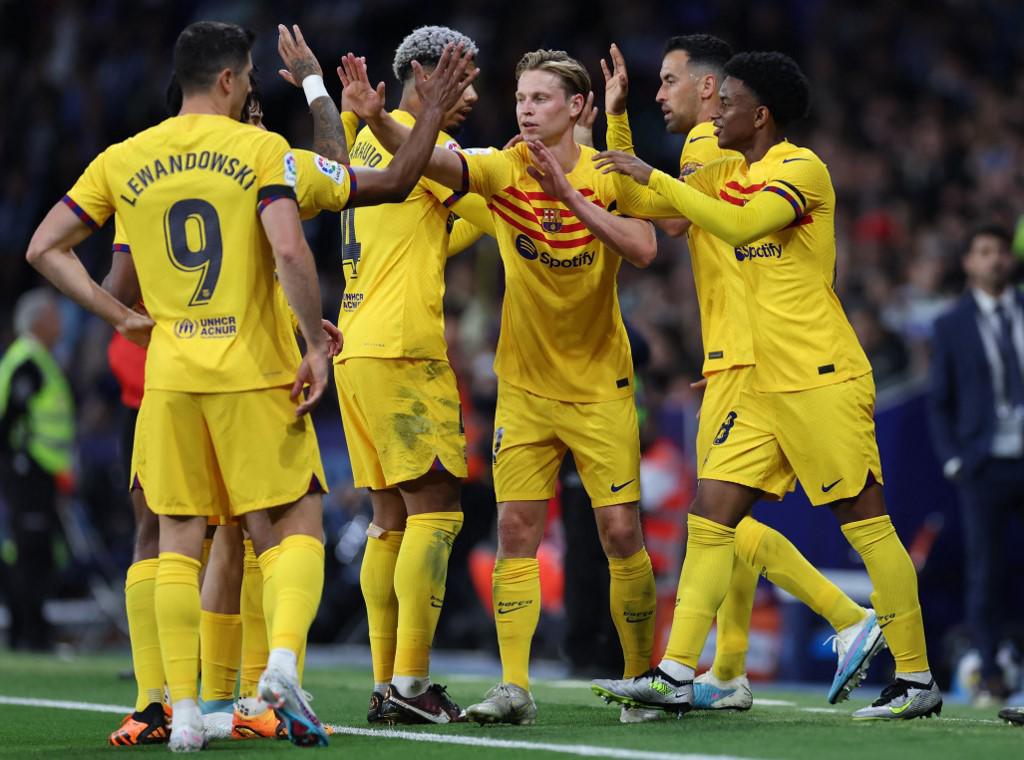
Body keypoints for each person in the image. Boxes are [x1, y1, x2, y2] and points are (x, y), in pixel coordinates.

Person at [590, 50, 941, 720]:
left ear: (761, 114)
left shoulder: (800, 169)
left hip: (820, 374)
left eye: (727, 105)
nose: (715, 111)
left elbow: (741, 224)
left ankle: (917, 679)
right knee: (711, 515)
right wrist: (618, 129)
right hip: (755, 381)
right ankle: (674, 672)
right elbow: (645, 201)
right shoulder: (728, 170)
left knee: (865, 522)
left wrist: (658, 179)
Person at [25, 20, 338, 749]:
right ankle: (283, 664)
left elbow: (44, 246)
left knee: (174, 540)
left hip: (168, 376)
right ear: (230, 80)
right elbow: (290, 247)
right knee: (296, 523)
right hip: (251, 371)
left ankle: (184, 715)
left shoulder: (125, 158)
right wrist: (313, 342)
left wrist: (119, 317)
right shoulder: (258, 149)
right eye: (251, 79)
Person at [340, 47, 659, 726]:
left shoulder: (606, 174)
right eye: (520, 97)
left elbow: (645, 246)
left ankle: (641, 678)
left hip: (602, 384)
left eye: (541, 98)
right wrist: (382, 121)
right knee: (515, 529)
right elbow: (436, 161)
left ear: (577, 109)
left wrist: (570, 191)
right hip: (524, 388)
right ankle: (514, 686)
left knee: (620, 532)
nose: (525, 108)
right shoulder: (504, 168)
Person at [327, 26, 491, 726]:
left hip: (355, 347)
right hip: (401, 349)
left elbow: (435, 231)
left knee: (387, 520)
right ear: (425, 73)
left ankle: (385, 684)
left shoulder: (361, 137)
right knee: (439, 512)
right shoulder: (415, 141)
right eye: (462, 75)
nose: (474, 93)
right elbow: (450, 182)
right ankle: (413, 682)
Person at [928, 223, 1023, 703]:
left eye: (1001, 251)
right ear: (968, 262)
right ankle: (990, 673)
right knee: (984, 572)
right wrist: (952, 461)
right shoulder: (951, 324)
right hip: (983, 465)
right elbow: (938, 400)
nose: (995, 260)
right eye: (984, 252)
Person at [0, 288, 73, 653]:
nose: (61, 323)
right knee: (29, 551)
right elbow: (9, 419)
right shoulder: (28, 362)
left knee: (36, 551)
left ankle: (30, 632)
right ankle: (29, 635)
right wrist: (16, 461)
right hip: (28, 468)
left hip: (40, 470)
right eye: (56, 316)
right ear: (40, 321)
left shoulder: (37, 359)